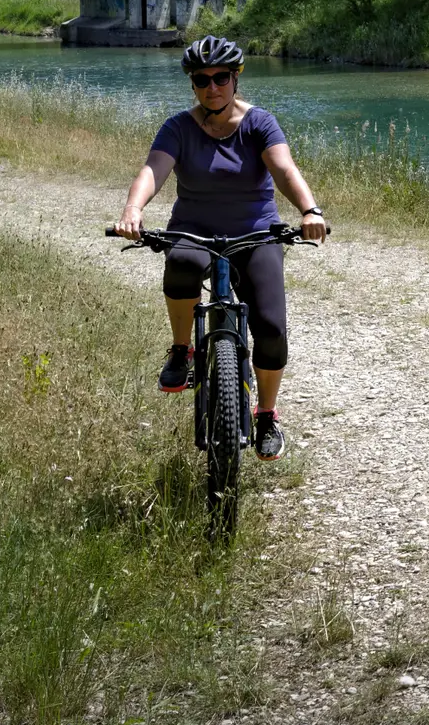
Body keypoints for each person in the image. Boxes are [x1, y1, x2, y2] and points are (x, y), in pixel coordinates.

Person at [113, 35, 327, 461]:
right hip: (195, 229)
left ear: (236, 78)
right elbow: (153, 170)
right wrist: (133, 209)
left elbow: (284, 169)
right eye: (202, 79)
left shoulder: (259, 123)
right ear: (193, 84)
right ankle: (182, 349)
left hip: (256, 231)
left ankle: (266, 415)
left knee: (271, 328)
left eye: (221, 77)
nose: (212, 87)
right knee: (181, 262)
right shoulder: (178, 127)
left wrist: (309, 210)